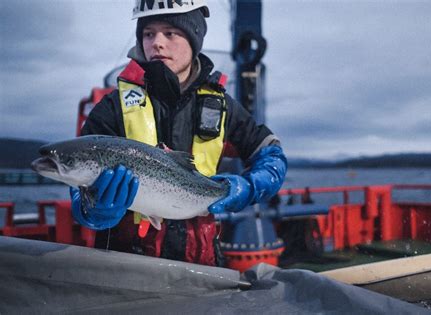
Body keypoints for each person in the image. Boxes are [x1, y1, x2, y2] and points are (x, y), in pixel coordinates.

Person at [70, 0, 287, 266]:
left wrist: (248, 187)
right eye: (148, 34)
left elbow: (271, 154)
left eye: (170, 33)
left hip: (201, 267)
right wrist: (93, 209)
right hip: (125, 269)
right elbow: (79, 194)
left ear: (194, 38)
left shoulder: (222, 107)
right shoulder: (113, 108)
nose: (157, 43)